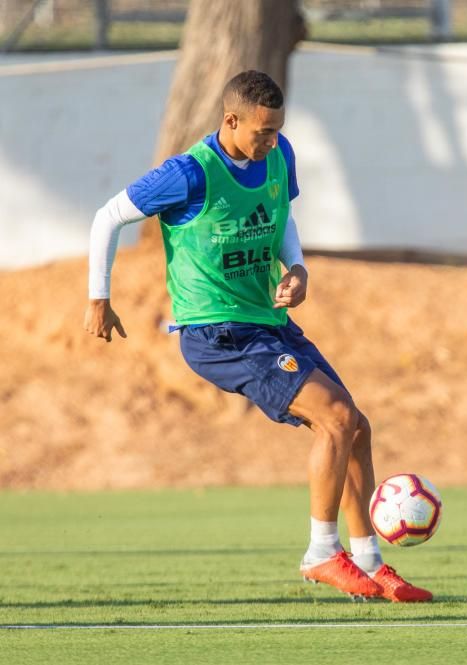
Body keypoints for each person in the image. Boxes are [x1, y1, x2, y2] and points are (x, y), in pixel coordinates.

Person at [84, 70, 430, 603]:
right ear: (230, 121)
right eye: (260, 133)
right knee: (335, 417)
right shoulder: (188, 174)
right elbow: (108, 218)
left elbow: (281, 215)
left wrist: (297, 268)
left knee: (355, 427)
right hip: (217, 332)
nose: (269, 143)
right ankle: (321, 553)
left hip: (268, 323)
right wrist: (99, 298)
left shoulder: (279, 155)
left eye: (276, 132)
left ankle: (370, 562)